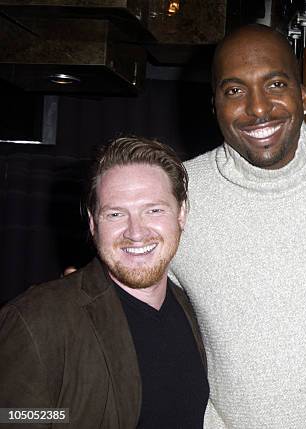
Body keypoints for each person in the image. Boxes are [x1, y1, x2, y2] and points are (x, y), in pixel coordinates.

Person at [169, 24, 306, 428]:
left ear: (302, 96)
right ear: (213, 103)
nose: (258, 108)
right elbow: (126, 303)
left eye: (275, 84)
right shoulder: (176, 195)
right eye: (234, 90)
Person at [0, 137, 209, 428]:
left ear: (182, 213)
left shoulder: (196, 310)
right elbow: (11, 416)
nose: (136, 233)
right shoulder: (35, 319)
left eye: (154, 210)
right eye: (115, 214)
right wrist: (68, 416)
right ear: (92, 223)